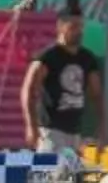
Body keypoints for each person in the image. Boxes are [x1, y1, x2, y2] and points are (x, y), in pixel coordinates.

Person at [21, 13, 101, 160]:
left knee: (70, 178)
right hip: (51, 130)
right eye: (74, 27)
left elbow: (97, 95)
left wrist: (102, 128)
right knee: (48, 173)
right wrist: (31, 126)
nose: (79, 31)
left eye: (81, 27)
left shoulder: (87, 58)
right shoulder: (48, 56)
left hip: (75, 130)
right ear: (61, 28)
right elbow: (28, 89)